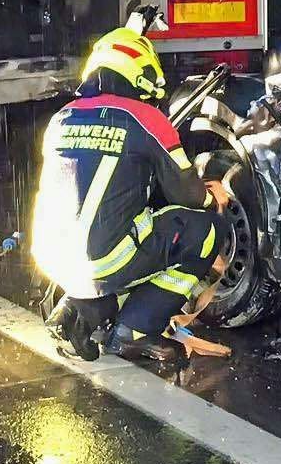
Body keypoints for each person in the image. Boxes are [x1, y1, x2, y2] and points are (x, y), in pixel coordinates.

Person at [31, 27, 233, 368]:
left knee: (112, 242)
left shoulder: (62, 117)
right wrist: (213, 200)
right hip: (103, 259)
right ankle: (135, 329)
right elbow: (187, 193)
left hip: (50, 257)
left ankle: (77, 311)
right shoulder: (146, 118)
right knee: (204, 231)